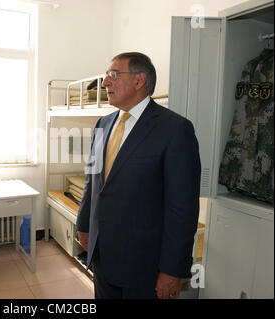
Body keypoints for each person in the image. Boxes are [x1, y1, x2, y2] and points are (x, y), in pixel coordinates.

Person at [76, 52, 201, 299]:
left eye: (112, 75)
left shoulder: (175, 130)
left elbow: (182, 209)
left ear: (139, 80)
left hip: (144, 266)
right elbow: (93, 182)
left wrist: (172, 271)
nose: (104, 83)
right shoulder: (103, 124)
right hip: (103, 256)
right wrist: (83, 225)